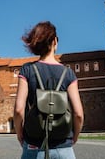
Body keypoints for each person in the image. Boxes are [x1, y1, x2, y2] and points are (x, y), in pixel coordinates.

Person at [13, 21, 84, 159]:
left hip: (34, 145)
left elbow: (18, 110)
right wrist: (74, 137)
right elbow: (79, 114)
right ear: (55, 41)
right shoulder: (68, 74)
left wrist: (20, 134)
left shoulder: (27, 70)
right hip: (63, 146)